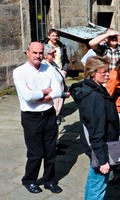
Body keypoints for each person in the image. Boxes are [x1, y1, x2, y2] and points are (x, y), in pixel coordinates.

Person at [13, 42, 63, 194]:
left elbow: (58, 90)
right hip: (31, 117)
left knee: (50, 151)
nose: (38, 56)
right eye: (35, 52)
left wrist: (40, 95)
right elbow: (28, 96)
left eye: (41, 53)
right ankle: (29, 180)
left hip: (48, 114)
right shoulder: (19, 72)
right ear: (27, 52)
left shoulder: (48, 68)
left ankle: (49, 180)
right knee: (36, 152)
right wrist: (46, 92)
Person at [70, 56, 120, 200]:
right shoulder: (94, 97)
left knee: (94, 182)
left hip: (99, 146)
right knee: (98, 184)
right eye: (103, 72)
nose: (107, 74)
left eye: (108, 71)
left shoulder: (91, 89)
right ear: (92, 73)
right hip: (100, 147)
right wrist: (102, 159)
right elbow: (96, 130)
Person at [43, 44, 70, 125]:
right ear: (45, 55)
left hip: (58, 97)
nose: (54, 54)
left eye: (55, 52)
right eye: (52, 53)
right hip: (51, 100)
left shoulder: (53, 63)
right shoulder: (44, 67)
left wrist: (63, 73)